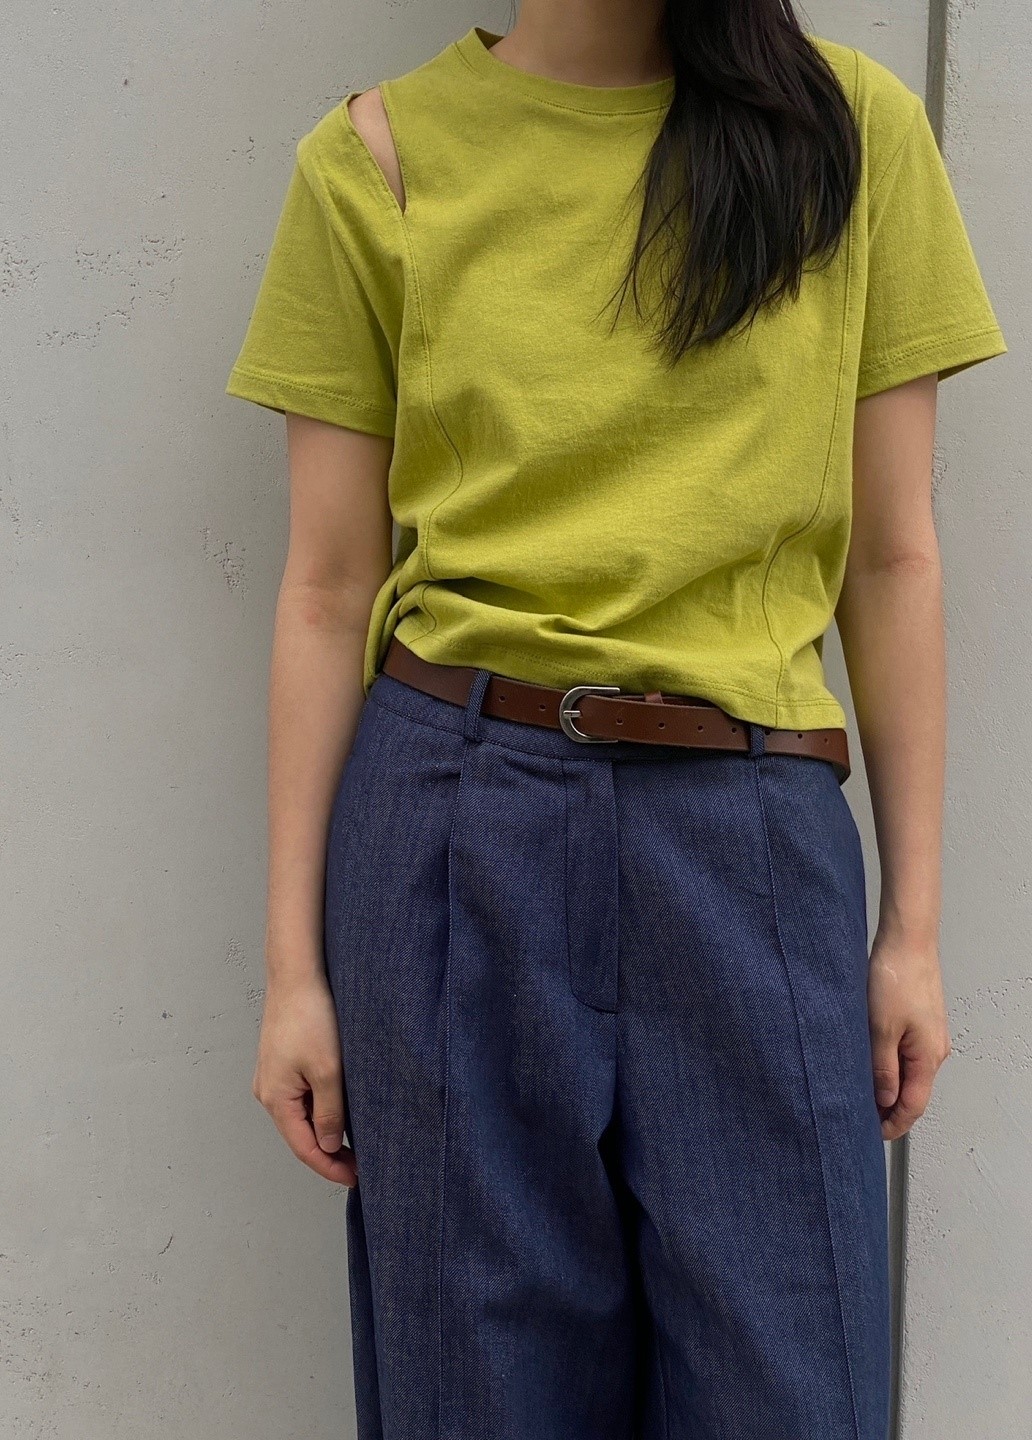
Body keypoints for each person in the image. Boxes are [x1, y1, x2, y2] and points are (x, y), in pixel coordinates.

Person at [224, 4, 1006, 1436]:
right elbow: (327, 590)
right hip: (454, 824)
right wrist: (292, 973)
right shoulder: (378, 160)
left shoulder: (849, 134)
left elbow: (894, 558)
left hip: (751, 832)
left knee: (795, 1388)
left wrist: (914, 931)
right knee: (477, 1393)